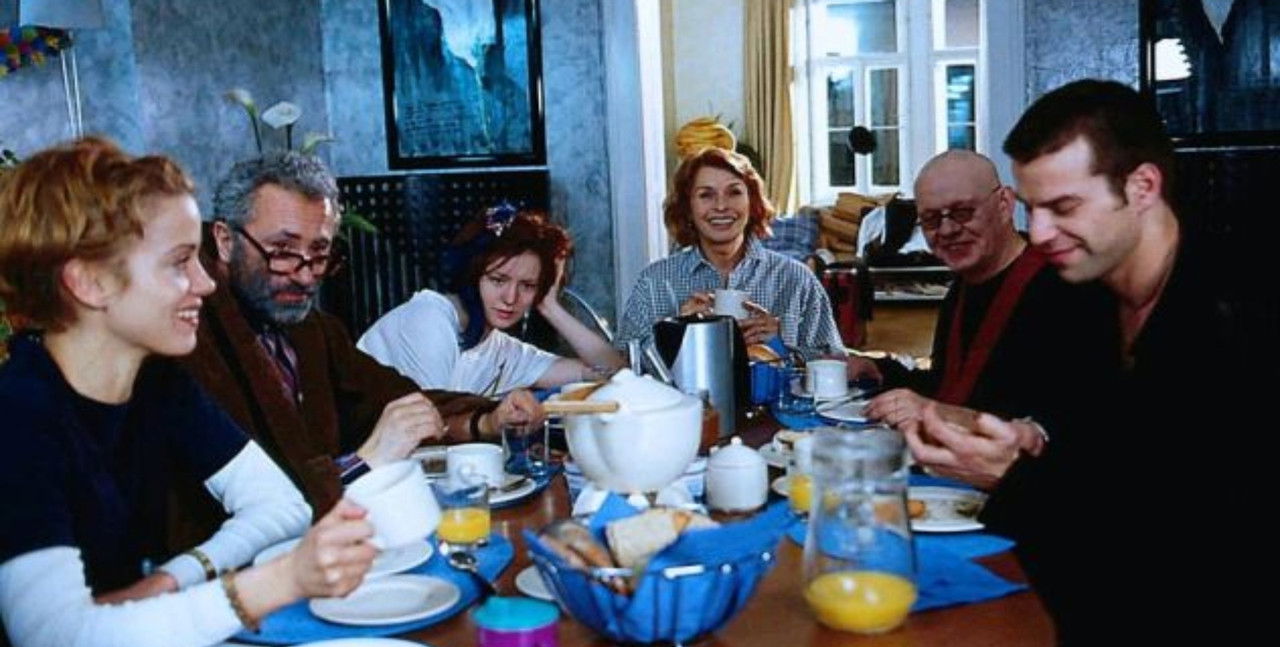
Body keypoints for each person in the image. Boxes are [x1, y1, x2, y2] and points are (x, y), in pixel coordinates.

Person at [905, 80, 1263, 647]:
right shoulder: (1087, 295)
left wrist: (1018, 474)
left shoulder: (1234, 318)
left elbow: (1186, 536)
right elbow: (1104, 453)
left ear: (1142, 187)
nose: (1040, 232)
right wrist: (1035, 440)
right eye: (1033, 208)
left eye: (1063, 206)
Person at [0, 138, 376, 647]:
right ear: (89, 281)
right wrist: (279, 581)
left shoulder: (157, 382)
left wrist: (176, 578)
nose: (205, 282)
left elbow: (283, 507)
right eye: (180, 263)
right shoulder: (18, 417)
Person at [175, 152, 541, 551]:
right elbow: (236, 510)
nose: (304, 275)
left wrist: (485, 421)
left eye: (319, 254)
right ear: (225, 241)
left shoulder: (312, 330)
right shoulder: (189, 344)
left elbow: (393, 398)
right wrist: (366, 461)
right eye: (282, 251)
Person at [847, 149, 1119, 464]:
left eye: (963, 212)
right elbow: (951, 386)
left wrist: (938, 414)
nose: (947, 230)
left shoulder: (1071, 289)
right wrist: (880, 371)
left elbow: (1070, 424)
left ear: (1004, 204)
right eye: (931, 220)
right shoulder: (963, 286)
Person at [357, 204, 623, 393]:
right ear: (474, 276)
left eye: (527, 286)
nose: (510, 298)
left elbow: (614, 372)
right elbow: (433, 424)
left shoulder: (501, 350)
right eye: (498, 280)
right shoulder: (428, 319)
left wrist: (550, 306)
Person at [615, 147, 845, 360]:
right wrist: (676, 333)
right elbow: (624, 364)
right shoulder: (656, 281)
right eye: (706, 195)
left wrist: (781, 343)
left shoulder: (796, 279)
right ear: (687, 208)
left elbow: (837, 364)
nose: (721, 206)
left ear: (752, 203)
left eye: (734, 192)